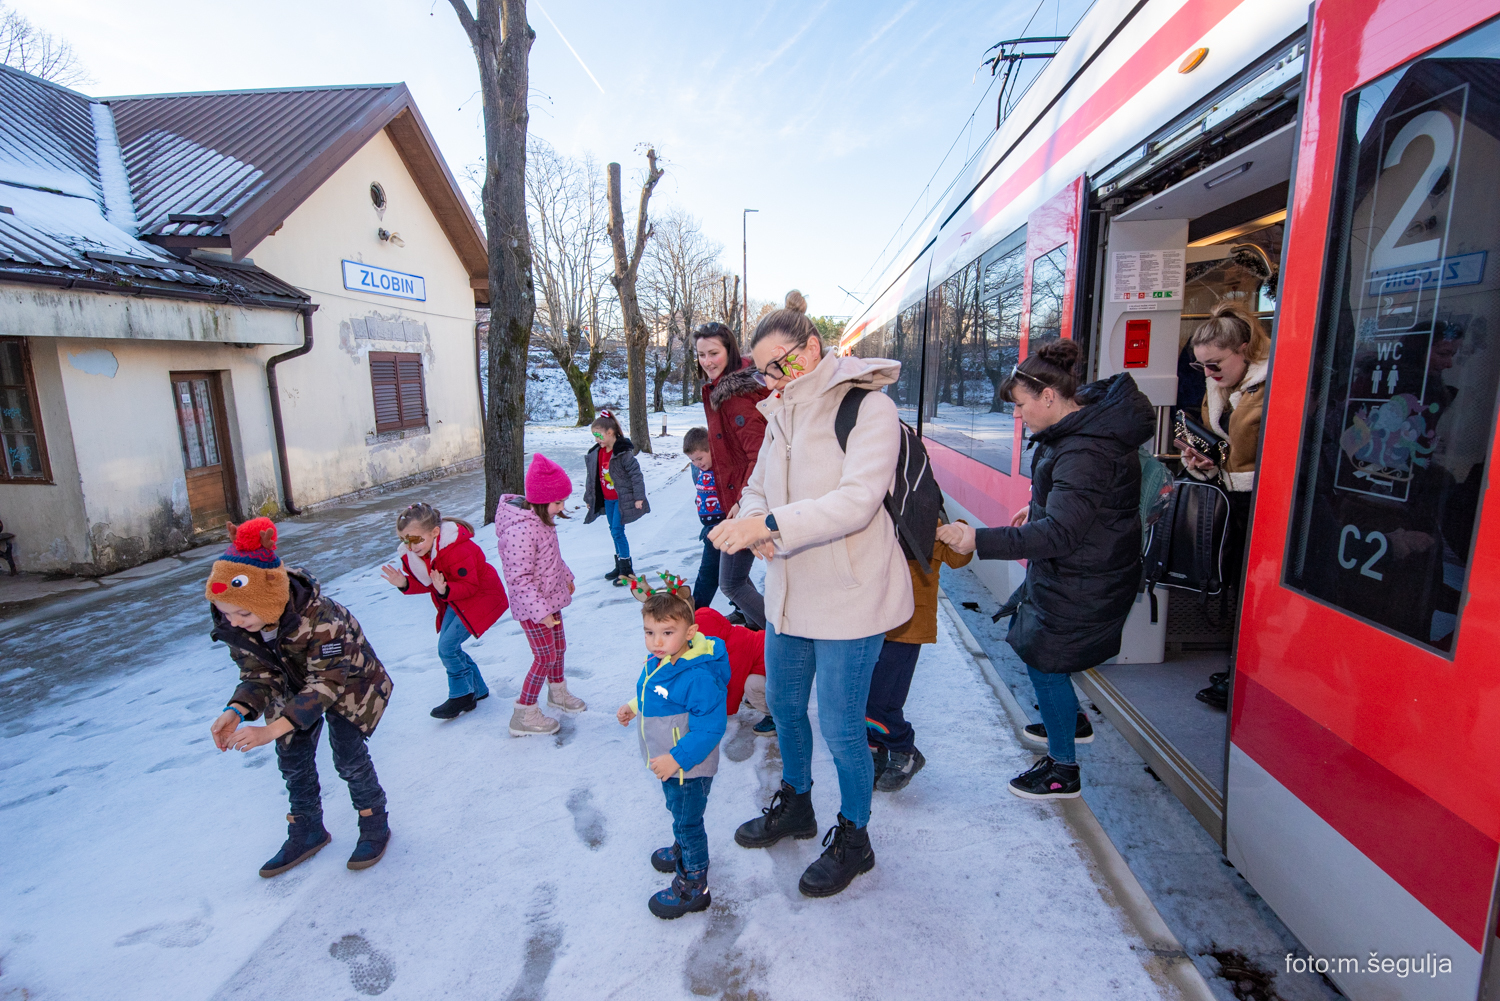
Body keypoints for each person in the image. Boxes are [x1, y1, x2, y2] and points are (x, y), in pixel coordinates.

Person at [710, 289, 913, 898]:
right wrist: (751, 520)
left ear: (813, 346)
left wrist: (770, 528)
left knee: (844, 726)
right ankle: (797, 803)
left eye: (783, 363)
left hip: (851, 596)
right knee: (788, 710)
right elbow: (757, 489)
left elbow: (858, 500)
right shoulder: (783, 413)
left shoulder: (867, 408)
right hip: (790, 597)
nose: (775, 377)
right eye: (765, 370)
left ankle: (856, 837)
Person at [938, 339, 1154, 801]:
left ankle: (1063, 771)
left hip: (1084, 576)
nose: (1018, 416)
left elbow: (1060, 534)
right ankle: (1070, 721)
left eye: (1020, 406)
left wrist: (979, 538)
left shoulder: (1085, 449)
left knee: (1045, 659)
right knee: (1035, 645)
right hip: (1084, 569)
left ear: (1048, 397)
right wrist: (1037, 504)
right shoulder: (1083, 433)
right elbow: (1080, 502)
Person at [207, 518, 394, 876]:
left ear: (272, 598)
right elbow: (258, 673)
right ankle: (307, 828)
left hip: (349, 682)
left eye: (242, 613)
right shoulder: (236, 620)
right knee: (292, 756)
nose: (232, 622)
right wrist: (237, 709)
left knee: (348, 755)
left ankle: (374, 821)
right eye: (226, 612)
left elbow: (325, 684)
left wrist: (269, 729)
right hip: (291, 683)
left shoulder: (321, 618)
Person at [616, 576, 730, 919]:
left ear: (690, 632)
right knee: (681, 812)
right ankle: (684, 848)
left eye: (667, 632)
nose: (656, 641)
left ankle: (694, 884)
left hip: (688, 766)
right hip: (671, 763)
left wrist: (676, 760)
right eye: (650, 632)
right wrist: (633, 706)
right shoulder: (661, 662)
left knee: (688, 820)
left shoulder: (697, 676)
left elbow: (711, 727)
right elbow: (652, 691)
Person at [1180, 299, 1270, 709]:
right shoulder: (1223, 387)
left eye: (1215, 364)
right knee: (1236, 584)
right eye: (1201, 367)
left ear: (1246, 349)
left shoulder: (1271, 387)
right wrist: (1201, 462)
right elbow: (1230, 452)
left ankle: (1246, 677)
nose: (1208, 374)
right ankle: (1240, 669)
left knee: (1256, 593)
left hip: (1265, 505)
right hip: (1234, 498)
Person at [867, 521, 973, 792]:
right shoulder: (869, 514)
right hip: (869, 624)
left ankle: (904, 749)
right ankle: (875, 749)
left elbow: (958, 558)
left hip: (907, 628)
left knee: (879, 701)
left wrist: (959, 531)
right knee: (872, 696)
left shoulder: (925, 521)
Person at [380, 502, 508, 720]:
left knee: (447, 647)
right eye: (404, 540)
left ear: (435, 532)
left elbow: (470, 585)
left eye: (415, 539)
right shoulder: (420, 552)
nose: (410, 546)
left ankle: (462, 695)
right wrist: (404, 583)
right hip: (454, 599)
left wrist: (445, 588)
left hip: (480, 598)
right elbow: (429, 582)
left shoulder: (457, 549)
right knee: (449, 645)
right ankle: (478, 689)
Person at [494, 454, 586, 737]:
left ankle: (557, 693)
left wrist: (566, 577)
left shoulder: (540, 519)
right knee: (544, 657)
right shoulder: (520, 530)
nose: (562, 508)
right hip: (534, 608)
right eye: (558, 502)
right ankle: (524, 712)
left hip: (551, 599)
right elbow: (519, 577)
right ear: (539, 499)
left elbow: (550, 558)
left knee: (559, 649)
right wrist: (540, 611)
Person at [695, 321, 771, 628]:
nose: (707, 361)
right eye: (701, 354)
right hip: (737, 497)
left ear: (730, 350)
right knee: (735, 579)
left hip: (748, 499)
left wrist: (744, 499)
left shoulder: (735, 396)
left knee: (731, 582)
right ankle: (757, 625)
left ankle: (784, 638)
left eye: (714, 353)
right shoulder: (718, 390)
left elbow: (760, 453)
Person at [583, 411, 650, 585]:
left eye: (599, 435)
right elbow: (592, 479)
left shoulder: (622, 453)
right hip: (608, 500)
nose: (597, 439)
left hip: (622, 500)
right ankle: (620, 565)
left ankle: (627, 571)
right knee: (614, 532)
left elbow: (636, 475)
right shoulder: (597, 453)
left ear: (610, 432)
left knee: (617, 532)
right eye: (595, 436)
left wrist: (639, 497)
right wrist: (590, 499)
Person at [693, 605, 773, 731]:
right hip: (774, 664)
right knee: (752, 678)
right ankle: (765, 697)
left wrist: (722, 712)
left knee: (751, 685)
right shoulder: (734, 634)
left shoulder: (732, 651)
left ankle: (777, 716)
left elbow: (734, 685)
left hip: (783, 673)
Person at [683, 427, 726, 614]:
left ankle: (696, 612)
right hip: (709, 527)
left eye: (699, 458)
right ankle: (745, 610)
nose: (696, 463)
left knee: (708, 572)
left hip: (721, 528)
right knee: (729, 575)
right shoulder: (699, 469)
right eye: (692, 460)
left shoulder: (722, 469)